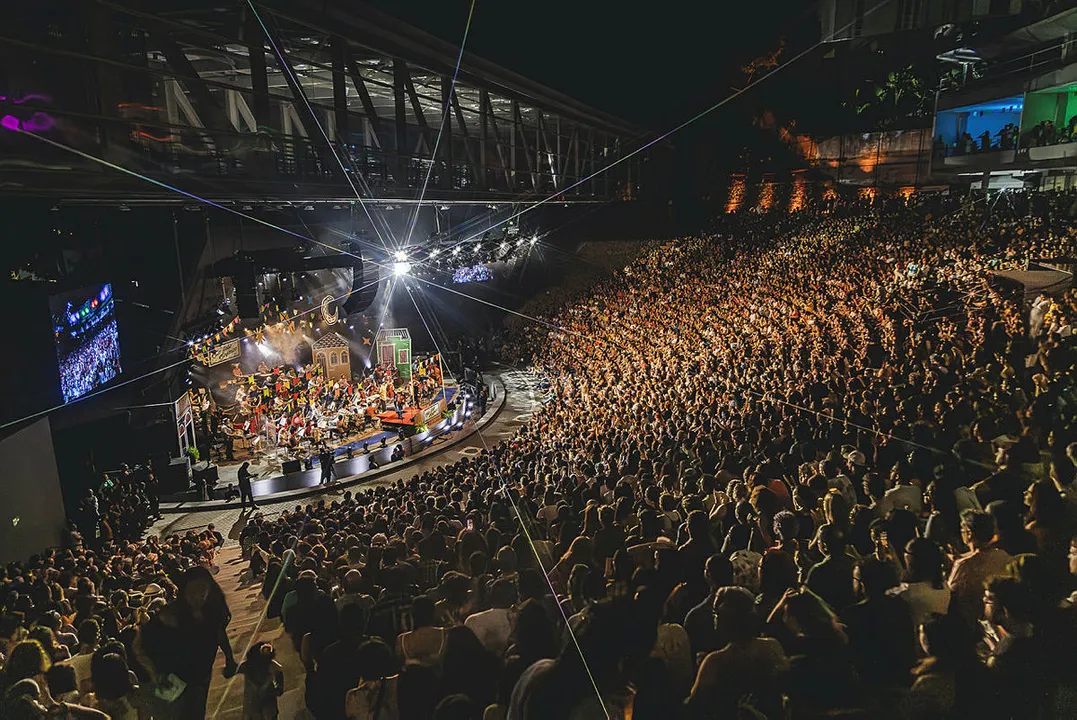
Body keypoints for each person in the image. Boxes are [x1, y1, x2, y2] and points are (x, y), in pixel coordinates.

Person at [136, 566, 237, 719]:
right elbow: (141, 647)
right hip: (177, 676)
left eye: (203, 589)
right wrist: (156, 675)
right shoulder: (170, 614)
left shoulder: (212, 610)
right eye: (193, 590)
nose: (199, 595)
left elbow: (219, 633)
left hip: (202, 673)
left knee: (197, 710)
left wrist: (229, 658)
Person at [237, 641, 284, 720]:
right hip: (258, 710)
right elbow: (279, 690)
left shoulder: (247, 666)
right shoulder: (273, 667)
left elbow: (279, 690)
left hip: (260, 709)